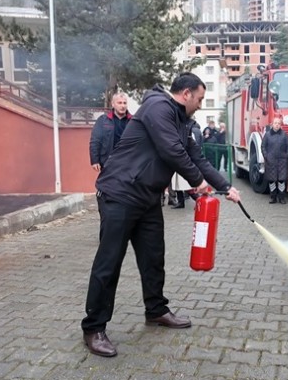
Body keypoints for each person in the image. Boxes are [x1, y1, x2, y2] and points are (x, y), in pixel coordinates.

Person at [81, 73, 240, 358]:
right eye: (201, 98)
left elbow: (197, 159)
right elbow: (172, 150)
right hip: (120, 194)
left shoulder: (183, 122)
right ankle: (93, 328)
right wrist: (197, 182)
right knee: (109, 262)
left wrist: (226, 186)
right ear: (187, 93)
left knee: (154, 257)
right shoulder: (157, 107)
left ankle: (156, 310)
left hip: (147, 198)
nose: (201, 105)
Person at [89, 92, 130, 172]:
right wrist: (95, 160)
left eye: (124, 103)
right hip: (107, 162)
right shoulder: (103, 120)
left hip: (127, 163)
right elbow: (95, 141)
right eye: (119, 103)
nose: (123, 106)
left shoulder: (132, 121)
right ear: (113, 104)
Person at [170, 119, 204, 209]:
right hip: (176, 161)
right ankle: (181, 202)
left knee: (185, 184)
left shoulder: (187, 133)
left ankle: (199, 200)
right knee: (176, 184)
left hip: (183, 160)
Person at [262, 117, 288, 204]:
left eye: (279, 123)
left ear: (280, 125)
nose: (277, 125)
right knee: (272, 180)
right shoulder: (267, 135)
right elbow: (263, 146)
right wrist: (266, 156)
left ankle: (281, 198)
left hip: (282, 161)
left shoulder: (284, 135)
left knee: (281, 180)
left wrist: (287, 155)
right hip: (270, 161)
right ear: (272, 124)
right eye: (275, 123)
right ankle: (273, 197)